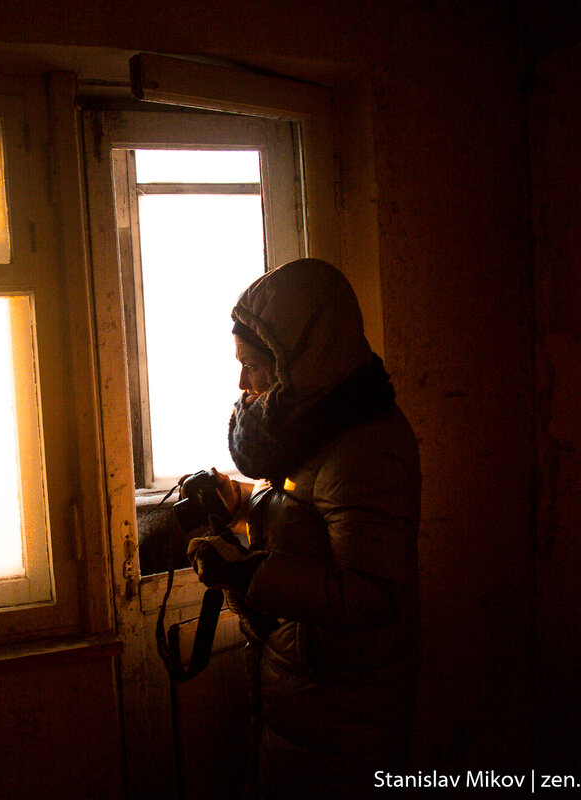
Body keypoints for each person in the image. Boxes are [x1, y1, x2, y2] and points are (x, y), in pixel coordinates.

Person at [183, 258, 421, 798]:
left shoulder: (368, 449)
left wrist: (251, 574)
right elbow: (303, 515)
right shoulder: (313, 425)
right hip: (305, 690)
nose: (242, 383)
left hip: (347, 715)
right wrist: (237, 499)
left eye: (251, 365)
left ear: (297, 361)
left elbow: (378, 596)